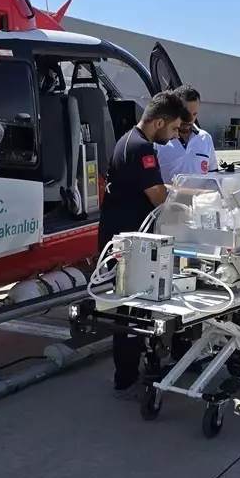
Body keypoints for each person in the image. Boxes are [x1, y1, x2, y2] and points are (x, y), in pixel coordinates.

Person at [98, 90, 191, 398]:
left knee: (134, 311)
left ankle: (131, 370)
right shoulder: (141, 149)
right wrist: (192, 199)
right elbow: (157, 196)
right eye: (175, 128)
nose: (176, 134)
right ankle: (124, 380)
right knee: (131, 314)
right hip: (130, 244)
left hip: (125, 239)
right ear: (160, 122)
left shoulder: (130, 141)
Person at [155, 85, 218, 182]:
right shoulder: (158, 140)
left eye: (194, 114)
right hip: (168, 197)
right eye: (186, 113)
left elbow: (213, 175)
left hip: (199, 197)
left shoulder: (205, 138)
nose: (190, 119)